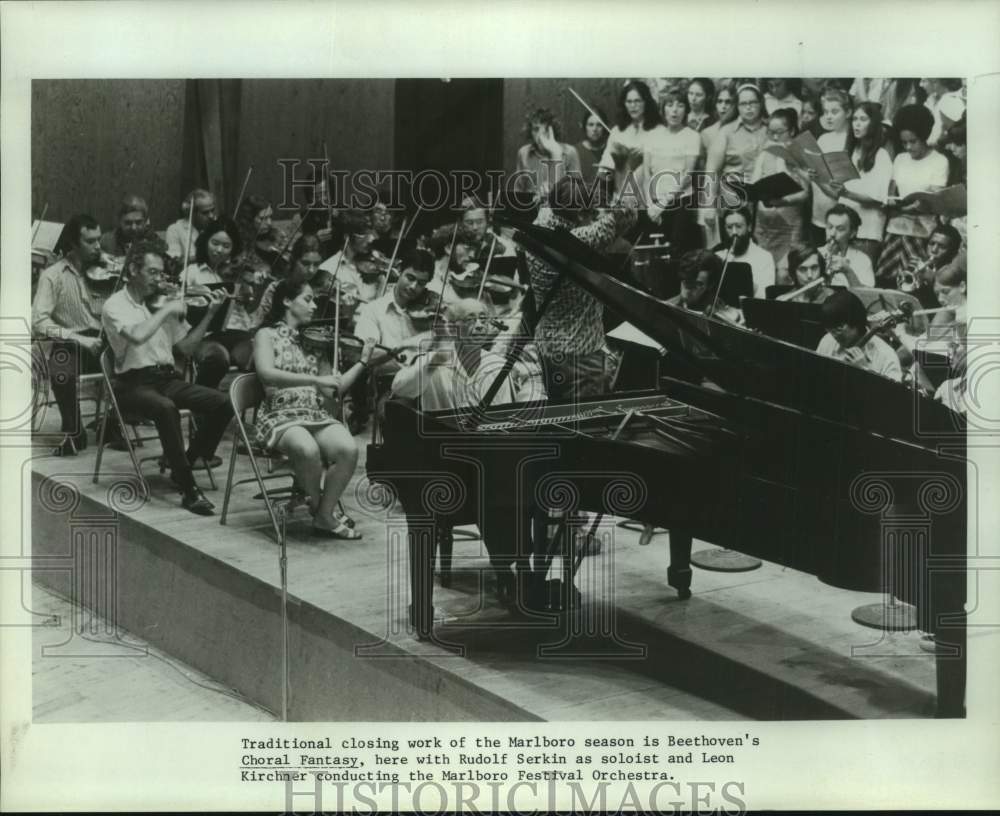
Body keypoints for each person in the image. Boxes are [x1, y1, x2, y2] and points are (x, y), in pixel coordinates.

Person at [101, 238, 233, 514]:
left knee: (224, 403)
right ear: (134, 270)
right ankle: (188, 488)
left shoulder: (162, 303)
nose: (159, 279)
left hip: (166, 379)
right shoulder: (115, 305)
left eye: (162, 273)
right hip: (131, 384)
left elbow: (185, 348)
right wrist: (166, 310)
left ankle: (186, 460)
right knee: (165, 408)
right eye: (153, 272)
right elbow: (137, 336)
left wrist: (209, 315)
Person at [252, 278, 374, 539]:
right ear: (287, 301)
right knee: (307, 450)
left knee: (348, 450)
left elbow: (333, 390)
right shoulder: (266, 335)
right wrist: (315, 380)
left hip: (313, 411)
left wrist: (363, 362)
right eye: (308, 299)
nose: (314, 305)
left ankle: (322, 515)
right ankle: (324, 512)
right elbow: (266, 373)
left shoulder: (315, 343)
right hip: (279, 413)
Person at [526, 175, 637, 400]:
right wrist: (606, 199)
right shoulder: (582, 238)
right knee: (586, 426)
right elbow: (629, 213)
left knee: (560, 420)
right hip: (581, 356)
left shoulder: (539, 227)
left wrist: (588, 203)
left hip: (547, 348)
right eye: (590, 213)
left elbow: (548, 205)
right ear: (580, 215)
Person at [32, 214, 106, 454]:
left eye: (99, 240)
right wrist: (79, 338)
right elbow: (39, 320)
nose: (98, 247)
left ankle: (114, 422)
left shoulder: (108, 271)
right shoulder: (52, 275)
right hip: (74, 342)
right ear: (74, 243)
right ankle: (74, 431)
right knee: (61, 368)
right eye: (90, 242)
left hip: (106, 339)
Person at [183, 219, 264, 391]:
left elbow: (250, 309)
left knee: (260, 355)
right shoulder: (191, 272)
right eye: (215, 243)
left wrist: (250, 295)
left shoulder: (237, 274)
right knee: (217, 357)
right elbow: (184, 310)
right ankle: (204, 408)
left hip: (236, 333)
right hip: (205, 334)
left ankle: (250, 407)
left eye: (226, 246)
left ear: (233, 249)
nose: (219, 250)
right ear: (206, 242)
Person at [876, 104, 951, 286]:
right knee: (885, 281)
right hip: (895, 231)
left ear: (924, 136)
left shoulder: (939, 161)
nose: (908, 147)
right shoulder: (900, 159)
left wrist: (905, 208)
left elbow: (932, 201)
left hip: (922, 233)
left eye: (913, 141)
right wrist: (892, 203)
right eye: (904, 142)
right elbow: (891, 192)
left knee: (914, 284)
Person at [640, 86, 702, 255]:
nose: (674, 111)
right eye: (669, 105)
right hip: (654, 202)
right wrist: (650, 204)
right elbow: (647, 173)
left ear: (686, 109)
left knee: (677, 251)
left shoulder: (692, 136)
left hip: (680, 202)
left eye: (680, 105)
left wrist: (663, 204)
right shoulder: (651, 136)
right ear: (663, 109)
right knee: (653, 252)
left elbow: (688, 175)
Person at [831, 101, 892, 264]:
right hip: (843, 230)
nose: (856, 124)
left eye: (863, 119)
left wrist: (847, 193)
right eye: (854, 119)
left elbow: (879, 199)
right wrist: (817, 179)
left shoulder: (881, 156)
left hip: (866, 234)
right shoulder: (850, 152)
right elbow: (839, 195)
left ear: (873, 123)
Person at [705, 83, 768, 230]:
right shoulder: (726, 132)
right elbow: (711, 171)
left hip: (766, 205)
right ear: (737, 106)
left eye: (753, 102)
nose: (748, 107)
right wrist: (709, 206)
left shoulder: (770, 129)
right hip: (733, 202)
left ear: (761, 103)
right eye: (743, 103)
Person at [750, 108, 809, 265]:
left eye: (780, 132)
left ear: (791, 131)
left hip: (789, 225)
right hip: (764, 226)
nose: (775, 137)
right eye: (771, 132)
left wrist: (784, 200)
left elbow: (806, 193)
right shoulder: (764, 154)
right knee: (763, 267)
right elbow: (754, 184)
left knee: (786, 271)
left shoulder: (800, 155)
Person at [815, 289, 902, 381]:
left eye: (839, 328)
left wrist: (864, 372)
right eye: (830, 329)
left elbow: (890, 395)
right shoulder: (827, 341)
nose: (834, 335)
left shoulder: (887, 356)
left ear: (856, 321)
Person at [597, 79, 664, 196]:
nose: (633, 106)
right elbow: (605, 168)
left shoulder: (659, 131)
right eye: (629, 101)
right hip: (622, 196)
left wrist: (646, 155)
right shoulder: (617, 131)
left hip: (651, 197)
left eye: (637, 101)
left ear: (646, 102)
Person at [807, 87, 852, 246]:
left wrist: (819, 179)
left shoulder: (851, 141)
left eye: (834, 112)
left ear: (848, 113)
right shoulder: (823, 139)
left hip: (839, 217)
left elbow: (839, 190)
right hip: (818, 213)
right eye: (826, 112)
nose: (829, 117)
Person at [514, 107, 582, 201]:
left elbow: (577, 193)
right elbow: (519, 192)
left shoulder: (570, 152)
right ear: (530, 131)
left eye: (546, 130)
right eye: (536, 129)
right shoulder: (523, 153)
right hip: (531, 209)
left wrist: (555, 152)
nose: (540, 136)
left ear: (552, 131)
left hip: (561, 210)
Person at [667, 248, 744, 324]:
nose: (688, 290)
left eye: (697, 284)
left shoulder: (721, 311)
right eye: (687, 281)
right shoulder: (667, 308)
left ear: (710, 285)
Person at [716, 207, 775, 297]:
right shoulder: (718, 256)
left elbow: (765, 296)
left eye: (739, 226)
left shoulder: (764, 257)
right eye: (729, 227)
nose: (734, 232)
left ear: (749, 227)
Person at [900, 223, 962, 309]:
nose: (933, 250)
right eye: (931, 243)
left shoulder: (956, 271)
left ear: (952, 252)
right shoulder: (923, 264)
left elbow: (951, 304)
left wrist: (932, 279)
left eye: (942, 247)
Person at [820, 204, 875, 287]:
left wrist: (848, 271)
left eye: (840, 229)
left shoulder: (863, 260)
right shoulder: (815, 255)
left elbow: (867, 295)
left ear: (852, 233)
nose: (832, 234)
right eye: (830, 227)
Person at [165, 189, 216, 260]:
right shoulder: (175, 230)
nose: (211, 216)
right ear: (191, 213)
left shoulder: (217, 228)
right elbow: (174, 262)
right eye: (205, 213)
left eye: (212, 211)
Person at [574, 105, 610, 184]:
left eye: (599, 125)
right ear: (584, 126)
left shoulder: (610, 150)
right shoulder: (575, 152)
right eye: (591, 125)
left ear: (604, 127)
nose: (594, 129)